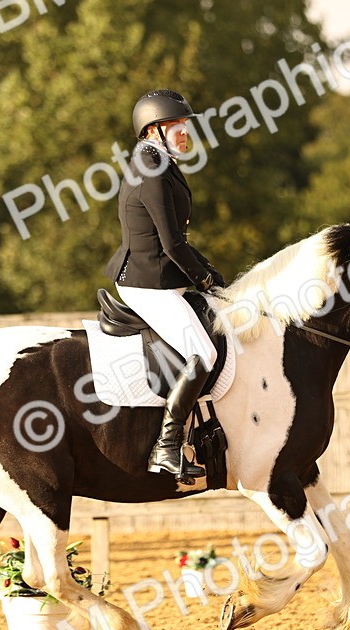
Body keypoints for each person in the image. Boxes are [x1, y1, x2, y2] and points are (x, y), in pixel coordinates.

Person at [104, 89, 226, 482]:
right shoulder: (150, 168)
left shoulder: (160, 163)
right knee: (204, 353)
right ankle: (167, 446)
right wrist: (203, 279)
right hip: (147, 283)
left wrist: (211, 272)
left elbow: (178, 240)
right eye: (178, 126)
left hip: (162, 278)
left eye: (185, 125)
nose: (186, 132)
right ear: (153, 130)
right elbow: (171, 244)